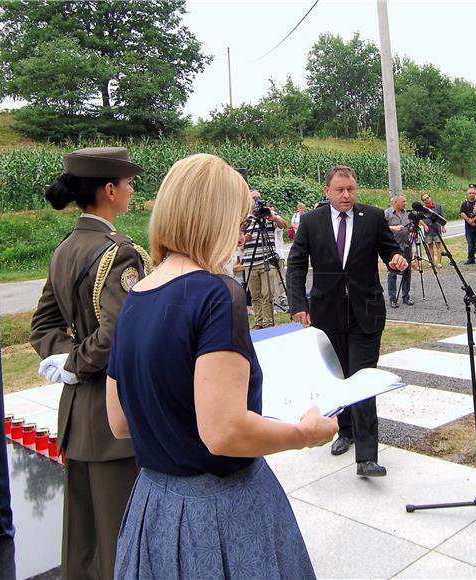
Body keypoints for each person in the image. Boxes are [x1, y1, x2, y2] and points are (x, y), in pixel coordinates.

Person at [105, 154, 338, 579]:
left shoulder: (136, 295)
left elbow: (119, 421)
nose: (242, 234)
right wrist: (305, 435)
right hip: (219, 513)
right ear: (213, 219)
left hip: (153, 506)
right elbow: (224, 431)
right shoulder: (217, 294)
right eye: (239, 221)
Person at [30, 147, 150, 580]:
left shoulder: (65, 248)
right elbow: (121, 331)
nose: (132, 191)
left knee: (81, 538)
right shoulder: (118, 252)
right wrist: (77, 363)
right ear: (109, 190)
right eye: (128, 184)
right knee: (120, 535)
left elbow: (42, 324)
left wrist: (63, 358)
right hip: (111, 412)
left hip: (77, 414)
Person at [287, 165, 408, 478]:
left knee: (363, 380)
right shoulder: (312, 222)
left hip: (366, 313)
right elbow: (297, 264)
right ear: (326, 191)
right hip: (327, 315)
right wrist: (298, 303)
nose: (346, 195)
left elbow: (389, 250)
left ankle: (367, 457)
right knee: (339, 378)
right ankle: (346, 431)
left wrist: (396, 259)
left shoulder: (372, 218)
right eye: (340, 190)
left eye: (351, 189)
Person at [241, 186, 287, 329]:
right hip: (249, 261)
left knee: (267, 294)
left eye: (258, 198)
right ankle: (259, 322)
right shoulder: (244, 218)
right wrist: (244, 238)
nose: (256, 201)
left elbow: (283, 225)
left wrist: (274, 217)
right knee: (255, 296)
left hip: (267, 259)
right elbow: (238, 240)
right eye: (253, 198)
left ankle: (268, 322)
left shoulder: (268, 214)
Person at [385, 194, 414, 307]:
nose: (405, 203)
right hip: (392, 247)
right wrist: (393, 228)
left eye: (405, 201)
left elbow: (410, 227)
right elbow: (381, 227)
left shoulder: (407, 214)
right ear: (395, 202)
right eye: (403, 202)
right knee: (392, 272)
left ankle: (406, 296)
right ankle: (393, 298)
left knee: (407, 271)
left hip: (406, 246)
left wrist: (412, 228)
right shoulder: (387, 213)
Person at [420, 192, 446, 267]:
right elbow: (419, 219)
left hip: (437, 229)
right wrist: (424, 225)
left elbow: (442, 217)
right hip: (428, 230)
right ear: (423, 201)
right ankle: (431, 262)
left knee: (438, 245)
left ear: (430, 197)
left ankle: (439, 262)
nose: (427, 200)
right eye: (425, 199)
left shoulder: (438, 206)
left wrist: (443, 227)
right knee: (430, 246)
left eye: (427, 198)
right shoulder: (422, 209)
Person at [459, 184, 476, 265]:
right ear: (467, 194)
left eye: (473, 193)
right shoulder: (465, 203)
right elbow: (462, 213)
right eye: (470, 193)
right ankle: (471, 258)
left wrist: (473, 220)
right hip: (468, 226)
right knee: (470, 243)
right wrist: (469, 220)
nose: (472, 195)